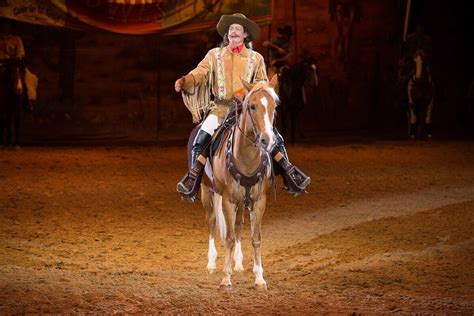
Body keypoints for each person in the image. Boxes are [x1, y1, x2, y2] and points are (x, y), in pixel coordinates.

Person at [174, 13, 310, 202]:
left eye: (237, 29)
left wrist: (246, 94)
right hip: (220, 109)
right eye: (230, 29)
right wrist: (186, 80)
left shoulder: (256, 59)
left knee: (274, 136)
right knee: (200, 137)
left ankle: (290, 173)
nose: (233, 32)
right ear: (227, 34)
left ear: (245, 34)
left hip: (247, 110)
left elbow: (262, 84)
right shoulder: (214, 55)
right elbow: (200, 73)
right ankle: (192, 179)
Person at [0, 17, 25, 148]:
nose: (5, 27)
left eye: (7, 25)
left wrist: (16, 58)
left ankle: (27, 101)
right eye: (4, 25)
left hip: (14, 64)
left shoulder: (17, 39)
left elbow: (21, 53)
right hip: (1, 65)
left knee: (28, 80)